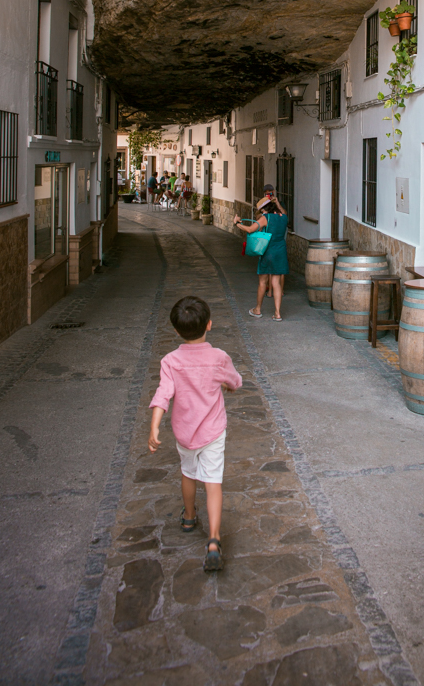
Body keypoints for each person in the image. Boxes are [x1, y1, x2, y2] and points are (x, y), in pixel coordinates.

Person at [148, 296, 242, 571]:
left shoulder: (170, 361)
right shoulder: (219, 358)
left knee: (188, 473)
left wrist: (154, 426)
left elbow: (163, 394)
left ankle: (189, 516)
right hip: (212, 431)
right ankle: (214, 540)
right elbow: (234, 381)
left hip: (184, 432)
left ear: (176, 331)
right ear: (209, 325)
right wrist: (229, 386)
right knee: (213, 481)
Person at [234, 197, 289, 320]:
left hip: (268, 252)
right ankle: (277, 313)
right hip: (280, 252)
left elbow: (250, 229)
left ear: (264, 209)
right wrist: (278, 203)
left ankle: (257, 309)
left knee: (262, 282)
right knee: (276, 283)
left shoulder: (266, 218)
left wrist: (237, 223)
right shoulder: (283, 217)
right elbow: (283, 212)